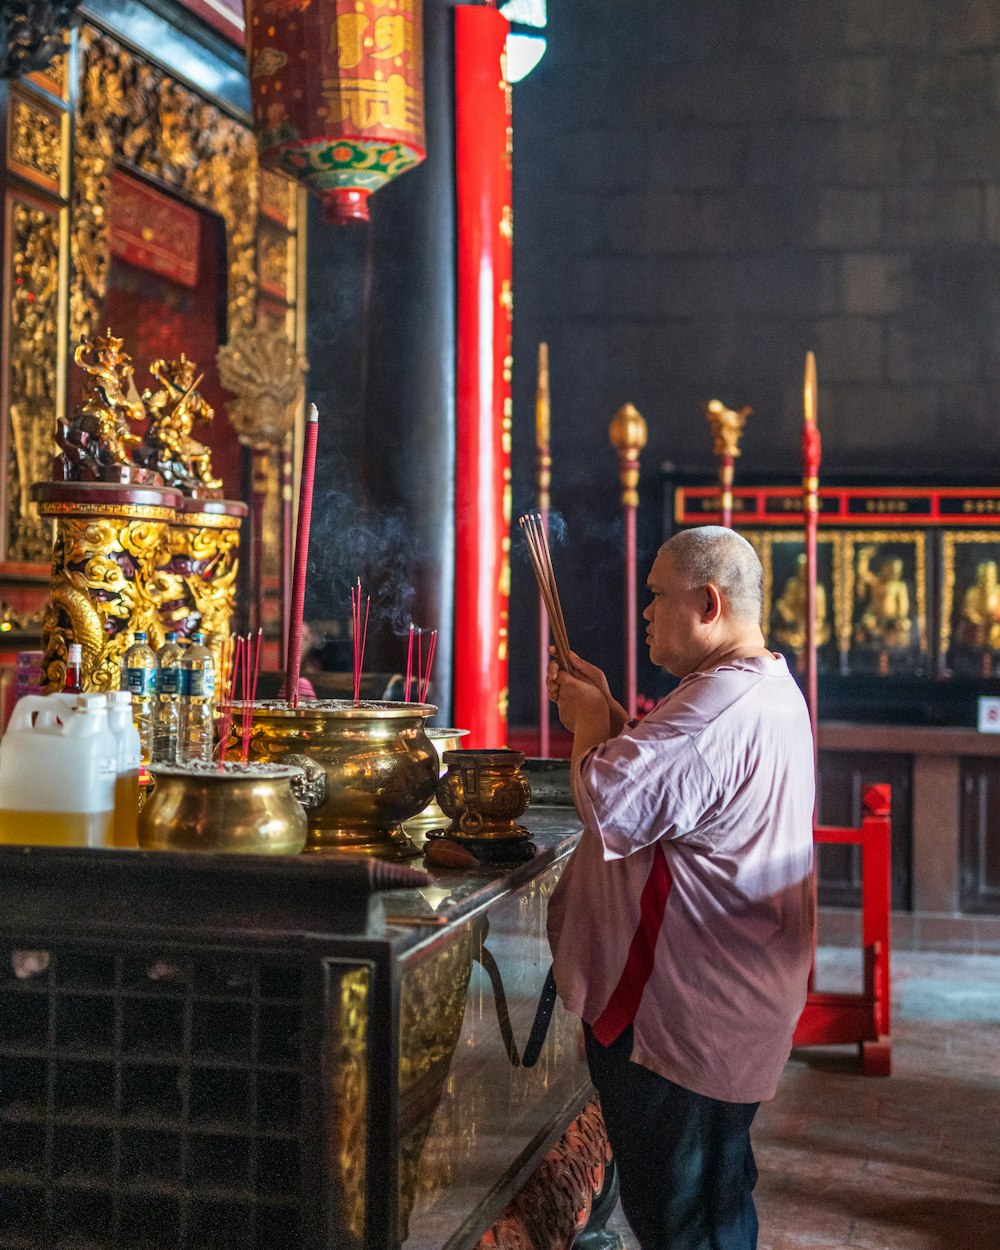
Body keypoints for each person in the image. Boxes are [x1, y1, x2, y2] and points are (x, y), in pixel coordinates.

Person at [546, 525, 815, 1250]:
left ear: (707, 603)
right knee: (712, 1201)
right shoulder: (762, 688)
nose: (645, 612)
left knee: (684, 1218)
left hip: (685, 1010)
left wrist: (587, 726)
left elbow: (608, 803)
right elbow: (679, 795)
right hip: (735, 996)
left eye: (657, 596)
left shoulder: (717, 708)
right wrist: (608, 711)